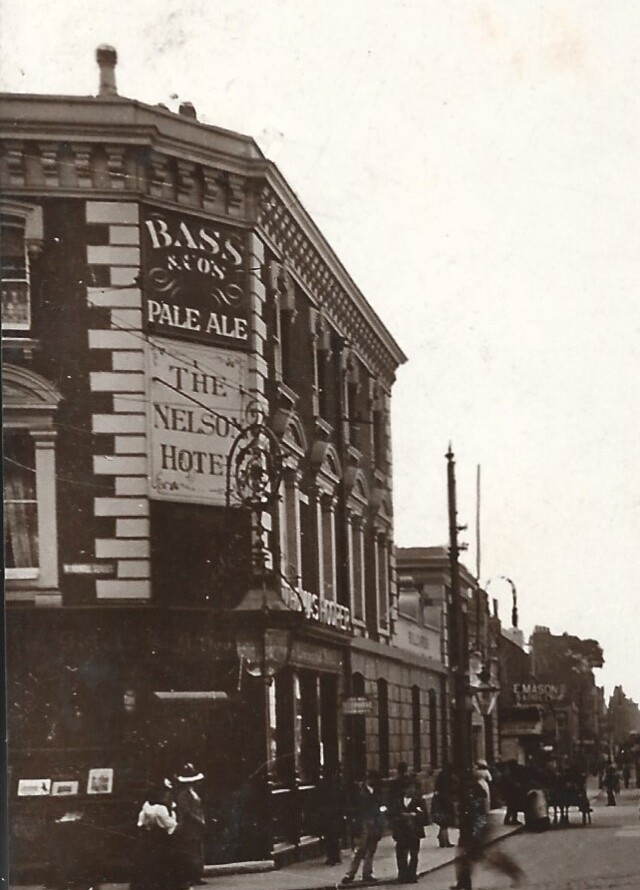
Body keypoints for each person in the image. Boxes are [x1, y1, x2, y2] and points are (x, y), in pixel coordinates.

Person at [451, 770, 524, 890]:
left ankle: (515, 874)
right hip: (470, 829)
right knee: (466, 858)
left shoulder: (473, 792)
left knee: (490, 858)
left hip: (476, 829)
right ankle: (464, 884)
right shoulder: (468, 791)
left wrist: (478, 830)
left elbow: (479, 811)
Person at [130, 779, 178, 890]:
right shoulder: (161, 808)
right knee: (162, 864)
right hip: (162, 838)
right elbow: (170, 825)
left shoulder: (146, 805)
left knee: (149, 863)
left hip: (150, 837)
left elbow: (140, 822)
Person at [341, 770, 386, 885]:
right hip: (363, 823)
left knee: (371, 849)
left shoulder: (377, 792)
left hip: (374, 822)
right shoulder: (359, 792)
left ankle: (367, 873)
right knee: (359, 849)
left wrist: (380, 820)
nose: (372, 781)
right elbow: (353, 808)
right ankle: (350, 873)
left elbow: (381, 806)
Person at [173, 763, 207, 888]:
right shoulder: (183, 794)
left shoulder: (194, 793)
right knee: (190, 850)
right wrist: (198, 819)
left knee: (197, 850)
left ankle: (196, 875)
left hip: (196, 825)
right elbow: (186, 811)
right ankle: (190, 876)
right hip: (189, 826)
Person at [390, 774, 427, 884]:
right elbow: (392, 815)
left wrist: (415, 815)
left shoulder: (419, 801)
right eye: (410, 788)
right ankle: (402, 875)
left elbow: (425, 817)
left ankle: (412, 875)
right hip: (401, 831)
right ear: (405, 789)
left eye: (414, 788)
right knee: (401, 853)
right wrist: (400, 816)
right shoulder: (397, 801)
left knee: (414, 854)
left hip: (414, 830)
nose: (412, 790)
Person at [318, 765, 345, 866]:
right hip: (335, 813)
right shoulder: (337, 784)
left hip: (328, 813)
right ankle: (335, 855)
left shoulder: (324, 784)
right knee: (334, 835)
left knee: (329, 836)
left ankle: (332, 856)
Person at [431, 763, 455, 848]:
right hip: (445, 800)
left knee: (443, 822)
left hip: (440, 799)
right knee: (445, 822)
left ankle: (443, 839)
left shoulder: (441, 775)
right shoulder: (448, 777)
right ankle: (445, 841)